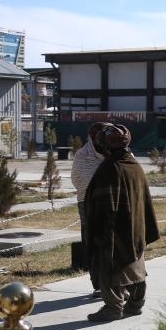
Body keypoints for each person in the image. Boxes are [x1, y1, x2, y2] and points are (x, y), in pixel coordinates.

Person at [84, 124, 160, 323]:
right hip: (135, 227)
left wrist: (100, 231)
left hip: (114, 229)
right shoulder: (134, 165)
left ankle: (113, 307)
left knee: (110, 266)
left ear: (105, 145)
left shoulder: (110, 168)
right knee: (135, 264)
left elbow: (104, 204)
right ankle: (135, 304)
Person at [70, 122, 109, 296]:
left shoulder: (118, 151)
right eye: (104, 134)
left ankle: (119, 282)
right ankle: (99, 284)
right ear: (94, 136)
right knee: (93, 243)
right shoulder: (83, 155)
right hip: (87, 203)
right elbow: (79, 180)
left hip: (114, 205)